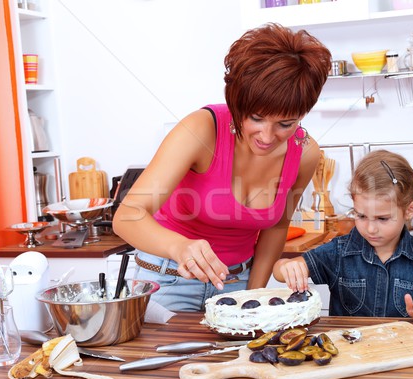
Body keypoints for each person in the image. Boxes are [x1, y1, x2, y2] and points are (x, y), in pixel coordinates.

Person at [113, 23, 332, 312]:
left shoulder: (305, 153)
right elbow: (128, 216)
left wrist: (253, 297)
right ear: (237, 101)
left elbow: (277, 226)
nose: (267, 136)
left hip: (238, 283)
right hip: (168, 280)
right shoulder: (201, 130)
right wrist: (180, 247)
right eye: (256, 118)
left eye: (285, 123)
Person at [273, 150, 413, 323]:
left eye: (382, 218)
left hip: (399, 350)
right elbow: (279, 271)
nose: (371, 228)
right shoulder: (339, 251)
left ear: (410, 210)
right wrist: (288, 267)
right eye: (361, 216)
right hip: (349, 351)